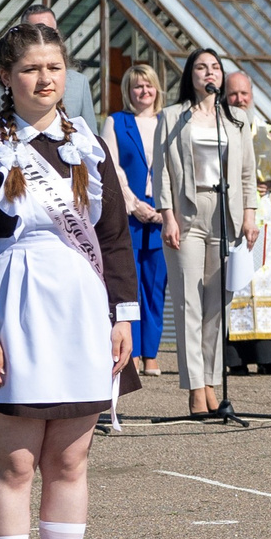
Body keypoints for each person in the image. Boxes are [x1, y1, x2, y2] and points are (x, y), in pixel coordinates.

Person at [0, 18, 140, 539]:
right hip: (14, 306)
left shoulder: (88, 144)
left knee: (70, 460)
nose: (44, 79)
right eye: (31, 69)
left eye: (54, 68)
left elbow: (112, 239)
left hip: (83, 308)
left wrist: (123, 317)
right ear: (7, 77)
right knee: (15, 462)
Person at [152, 49, 259, 418]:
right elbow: (161, 170)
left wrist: (250, 215)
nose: (208, 73)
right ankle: (195, 388)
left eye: (214, 67)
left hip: (225, 214)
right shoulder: (172, 117)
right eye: (201, 67)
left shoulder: (237, 119)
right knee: (188, 303)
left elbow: (247, 172)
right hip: (187, 212)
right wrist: (167, 216)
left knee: (216, 304)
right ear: (190, 75)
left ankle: (212, 383)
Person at [222, 68, 271, 376]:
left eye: (244, 94)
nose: (239, 99)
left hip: (265, 216)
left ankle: (268, 356)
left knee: (266, 284)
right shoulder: (220, 129)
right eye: (233, 94)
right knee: (237, 282)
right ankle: (236, 358)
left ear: (252, 96)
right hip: (232, 215)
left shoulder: (269, 132)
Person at [110, 65, 167, 377]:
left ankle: (151, 354)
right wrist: (135, 205)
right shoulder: (117, 122)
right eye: (137, 87)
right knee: (128, 287)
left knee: (155, 286)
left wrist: (165, 209)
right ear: (128, 92)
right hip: (129, 216)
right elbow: (113, 168)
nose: (144, 92)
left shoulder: (168, 122)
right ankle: (129, 352)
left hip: (162, 215)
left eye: (148, 86)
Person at [0, 6, 97, 138]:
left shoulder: (79, 82)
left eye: (48, 31)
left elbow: (91, 134)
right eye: (30, 70)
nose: (46, 79)